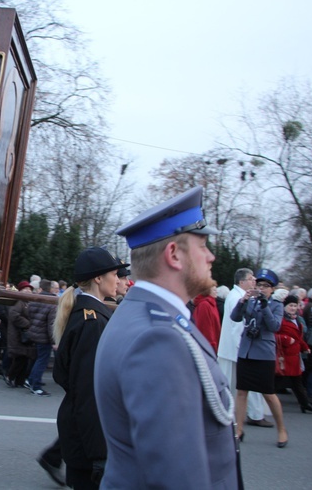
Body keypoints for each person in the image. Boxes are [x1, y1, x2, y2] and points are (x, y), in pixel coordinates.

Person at [95, 186, 238, 489]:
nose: (211, 256)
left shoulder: (143, 315)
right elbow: (177, 478)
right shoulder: (159, 339)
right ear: (174, 254)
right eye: (202, 245)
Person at [54, 246, 124, 489]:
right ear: (98, 278)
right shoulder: (91, 322)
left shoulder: (91, 314)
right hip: (87, 445)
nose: (118, 279)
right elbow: (88, 393)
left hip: (83, 437)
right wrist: (99, 454)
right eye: (115, 274)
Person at [231, 268, 288, 447]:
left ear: (272, 289)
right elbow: (235, 317)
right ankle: (238, 430)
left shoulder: (276, 305)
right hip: (246, 350)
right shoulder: (250, 301)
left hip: (264, 353)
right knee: (241, 392)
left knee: (269, 393)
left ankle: (281, 430)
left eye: (266, 286)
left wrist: (264, 305)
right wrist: (243, 301)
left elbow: (274, 326)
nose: (261, 288)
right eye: (259, 285)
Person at [217, 268, 272, 428]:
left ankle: (252, 413)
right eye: (250, 279)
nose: (254, 281)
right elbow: (238, 325)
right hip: (238, 348)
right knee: (245, 383)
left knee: (235, 384)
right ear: (242, 282)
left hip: (232, 348)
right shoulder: (238, 297)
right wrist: (242, 347)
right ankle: (254, 414)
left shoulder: (236, 296)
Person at [275, 295, 312, 412]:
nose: (293, 308)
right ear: (284, 307)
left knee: (296, 381)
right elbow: (273, 335)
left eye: (295, 306)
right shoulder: (280, 320)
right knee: (277, 381)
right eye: (290, 306)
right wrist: (285, 339)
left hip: (294, 356)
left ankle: (305, 404)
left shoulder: (297, 319)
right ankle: (265, 402)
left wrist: (305, 347)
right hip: (283, 356)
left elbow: (298, 338)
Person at [27, 279, 58, 396]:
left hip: (34, 332)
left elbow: (29, 314)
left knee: (36, 359)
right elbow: (51, 324)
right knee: (42, 361)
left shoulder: (35, 299)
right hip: (44, 336)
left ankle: (31, 380)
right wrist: (54, 341)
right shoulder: (51, 302)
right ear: (50, 288)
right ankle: (36, 386)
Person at [5, 280, 36, 388]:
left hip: (25, 334)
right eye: (25, 289)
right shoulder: (19, 301)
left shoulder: (27, 302)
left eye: (30, 289)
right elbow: (14, 315)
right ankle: (10, 376)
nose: (28, 291)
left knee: (25, 358)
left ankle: (20, 380)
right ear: (20, 290)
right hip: (18, 334)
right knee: (20, 358)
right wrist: (28, 324)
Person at [192, 282, 221, 353]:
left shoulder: (212, 304)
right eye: (214, 290)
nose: (216, 291)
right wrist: (211, 346)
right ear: (207, 291)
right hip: (208, 345)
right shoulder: (205, 305)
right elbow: (205, 327)